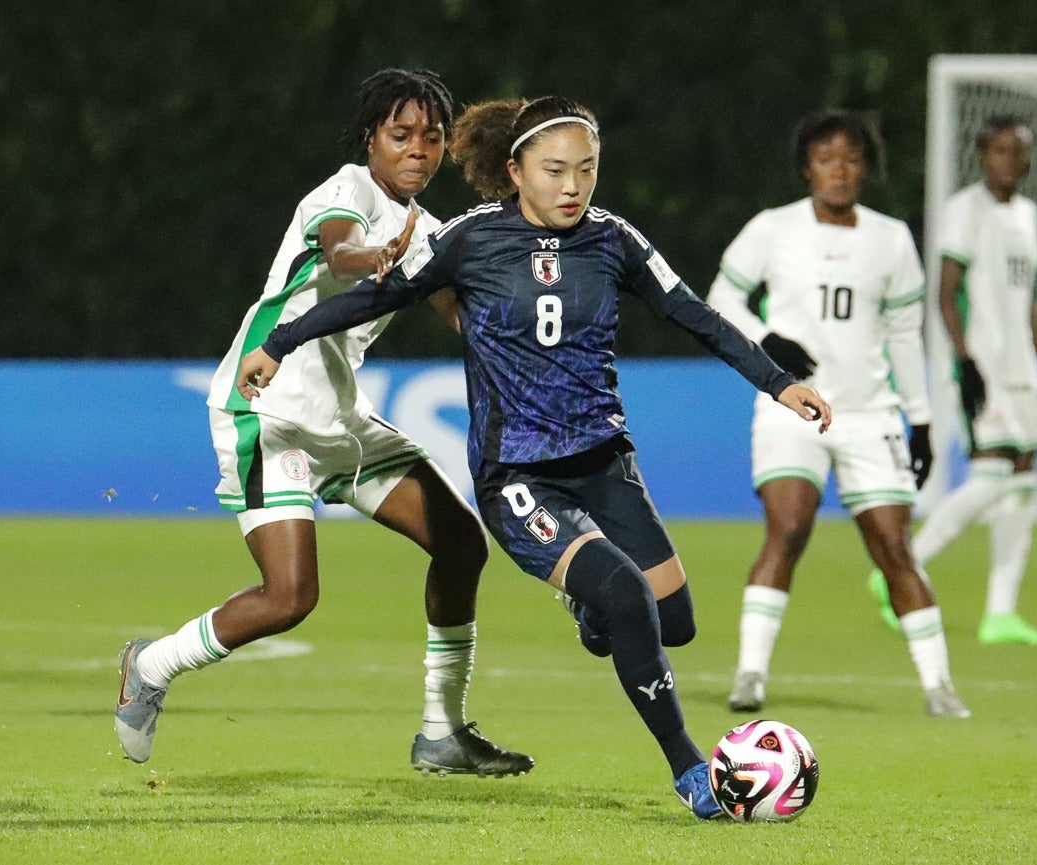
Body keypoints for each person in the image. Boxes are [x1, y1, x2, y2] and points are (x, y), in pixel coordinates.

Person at [235, 95, 833, 818]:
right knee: (626, 594)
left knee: (672, 622)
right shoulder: (468, 240)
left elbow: (696, 315)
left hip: (604, 460)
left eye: (587, 169)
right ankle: (690, 769)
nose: (573, 186)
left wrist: (779, 382)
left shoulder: (616, 240)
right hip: (516, 475)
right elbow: (371, 297)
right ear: (515, 171)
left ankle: (588, 601)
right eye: (555, 170)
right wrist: (280, 341)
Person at [114, 68, 533, 777]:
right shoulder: (344, 193)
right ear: (370, 137)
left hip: (337, 418)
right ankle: (149, 665)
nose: (418, 152)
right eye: (401, 135)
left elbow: (461, 314)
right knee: (291, 596)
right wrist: (376, 257)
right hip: (266, 407)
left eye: (431, 139)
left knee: (462, 543)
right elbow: (343, 250)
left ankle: (442, 732)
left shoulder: (428, 230)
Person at [707, 109, 970, 719]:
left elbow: (906, 334)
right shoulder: (773, 229)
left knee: (893, 546)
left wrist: (922, 418)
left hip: (870, 413)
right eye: (827, 159)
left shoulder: (891, 238)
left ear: (866, 168)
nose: (840, 170)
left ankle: (938, 686)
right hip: (791, 406)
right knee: (789, 530)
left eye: (851, 159)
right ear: (807, 168)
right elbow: (721, 296)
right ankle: (749, 674)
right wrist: (767, 340)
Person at [875, 115, 1037, 645]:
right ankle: (899, 567)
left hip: (1022, 370)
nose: (1013, 159)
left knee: (1025, 479)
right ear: (983, 154)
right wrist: (964, 363)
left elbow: (1024, 300)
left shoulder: (1028, 216)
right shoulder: (966, 210)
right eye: (1002, 149)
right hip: (983, 365)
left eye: (1021, 149)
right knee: (993, 476)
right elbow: (946, 293)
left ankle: (1000, 614)